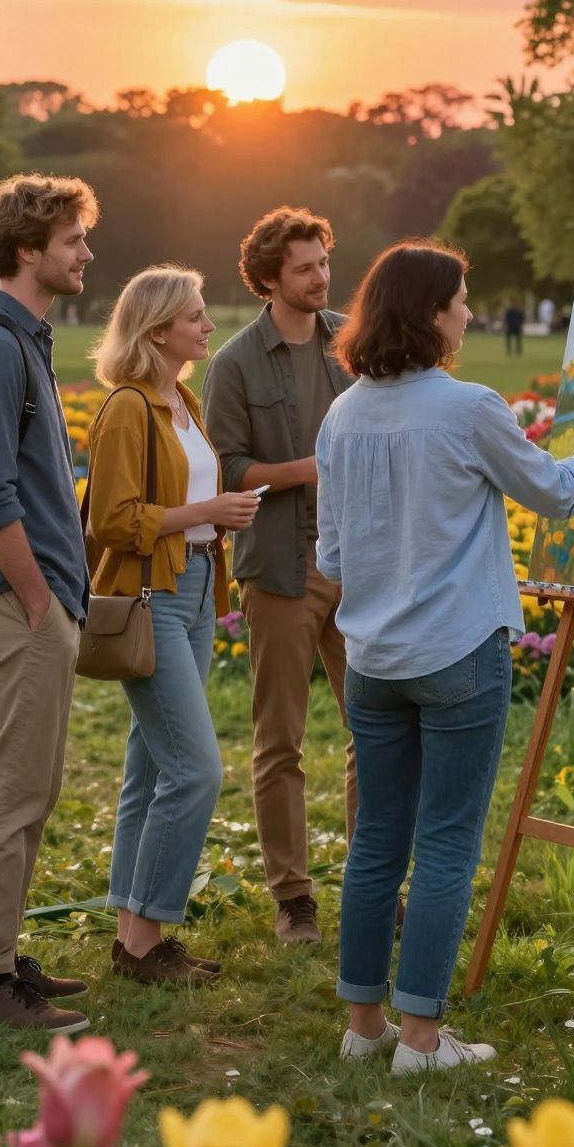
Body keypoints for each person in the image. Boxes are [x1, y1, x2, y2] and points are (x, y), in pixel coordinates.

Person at [316, 241, 574, 1075]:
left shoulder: (343, 413)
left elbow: (330, 559)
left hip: (372, 660)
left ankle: (363, 1028)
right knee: (449, 842)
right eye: (460, 299)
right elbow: (562, 496)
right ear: (430, 313)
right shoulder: (467, 407)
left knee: (378, 842)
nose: (469, 312)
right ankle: (421, 1041)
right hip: (459, 651)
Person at [0, 173, 98, 1032]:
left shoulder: (23, 339)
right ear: (28, 249)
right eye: (72, 239)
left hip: (37, 603)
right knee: (8, 792)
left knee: (32, 788)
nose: (86, 252)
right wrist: (40, 601)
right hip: (17, 604)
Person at [88, 266, 261, 985]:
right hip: (151, 591)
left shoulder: (182, 400)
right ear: (158, 329)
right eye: (194, 316)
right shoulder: (129, 407)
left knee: (151, 768)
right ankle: (147, 942)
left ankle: (132, 936)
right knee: (197, 771)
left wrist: (216, 520)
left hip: (192, 588)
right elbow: (113, 519)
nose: (208, 325)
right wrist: (207, 514)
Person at [202, 209, 356, 944]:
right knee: (280, 742)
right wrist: (314, 469)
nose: (320, 277)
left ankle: (370, 881)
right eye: (304, 267)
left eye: (323, 261)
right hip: (280, 568)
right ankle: (293, 897)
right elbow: (227, 469)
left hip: (360, 564)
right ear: (269, 280)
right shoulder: (233, 363)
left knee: (378, 731)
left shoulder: (354, 341)